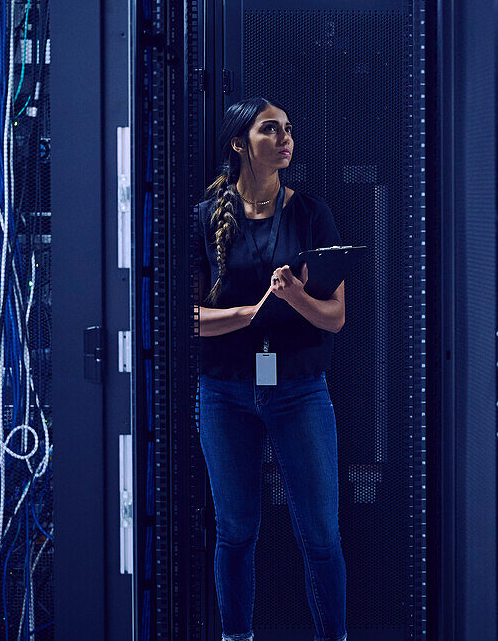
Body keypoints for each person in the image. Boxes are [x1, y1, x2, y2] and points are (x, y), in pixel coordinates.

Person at [192, 96, 347, 641]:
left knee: (321, 535)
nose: (286, 139)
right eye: (270, 129)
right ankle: (237, 637)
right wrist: (246, 313)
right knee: (234, 532)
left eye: (288, 129)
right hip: (226, 392)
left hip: (298, 390)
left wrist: (296, 297)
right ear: (239, 144)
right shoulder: (205, 219)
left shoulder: (310, 213)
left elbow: (334, 318)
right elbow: (181, 319)